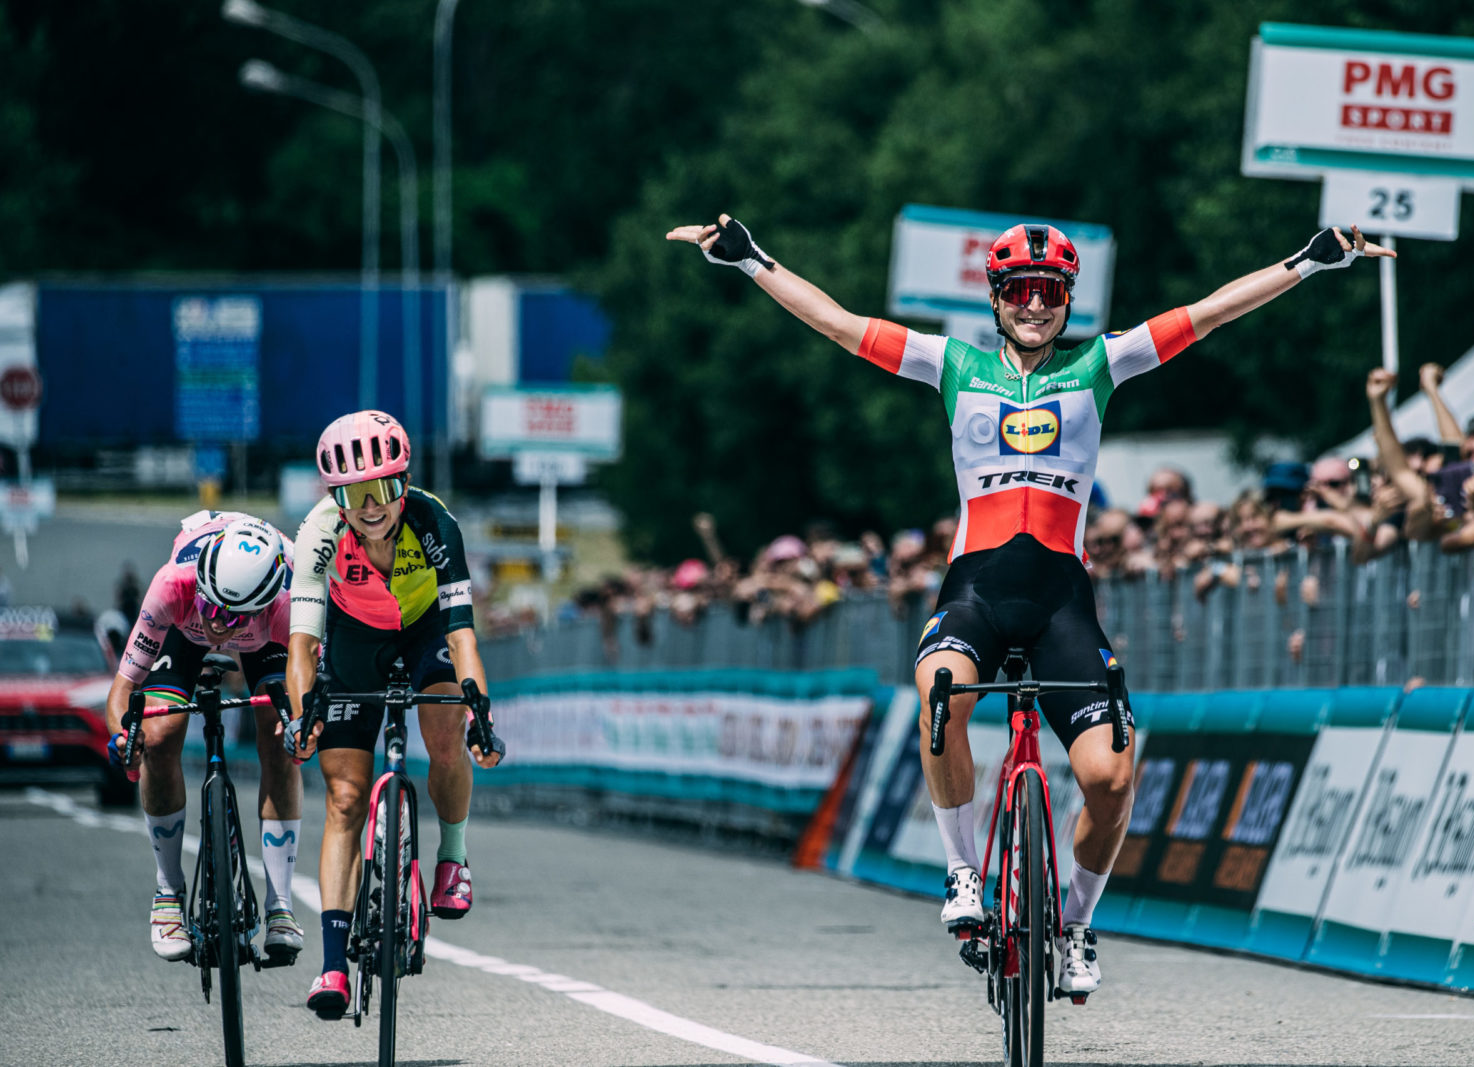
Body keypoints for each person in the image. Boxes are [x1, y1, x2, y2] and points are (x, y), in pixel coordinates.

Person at [668, 212, 1394, 997]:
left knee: (1111, 778)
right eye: (1020, 290)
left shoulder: (1100, 363)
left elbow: (1210, 312)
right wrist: (751, 259)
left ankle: (1076, 923)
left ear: (1068, 297)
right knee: (940, 692)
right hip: (976, 589)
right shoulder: (952, 364)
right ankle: (961, 870)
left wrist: (1309, 260)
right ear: (996, 296)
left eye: (1050, 289)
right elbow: (840, 324)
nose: (1036, 304)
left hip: (1060, 601)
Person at [281, 410, 501, 1017]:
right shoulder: (319, 533)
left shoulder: (435, 522)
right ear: (336, 498)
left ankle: (452, 857)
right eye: (354, 494)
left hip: (427, 631)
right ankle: (332, 966)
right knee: (345, 798)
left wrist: (479, 715)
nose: (371, 506)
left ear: (404, 482)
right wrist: (302, 716)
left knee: (447, 736)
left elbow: (462, 637)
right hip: (355, 638)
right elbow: (301, 644)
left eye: (383, 488)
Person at [103, 512, 302, 965]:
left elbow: (309, 693)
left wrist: (302, 727)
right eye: (211, 609)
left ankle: (281, 904)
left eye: (231, 618)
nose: (217, 625)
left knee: (278, 734)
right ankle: (168, 891)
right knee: (158, 735)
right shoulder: (173, 585)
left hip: (267, 636)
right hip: (181, 628)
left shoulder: (287, 605)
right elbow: (123, 689)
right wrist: (125, 738)